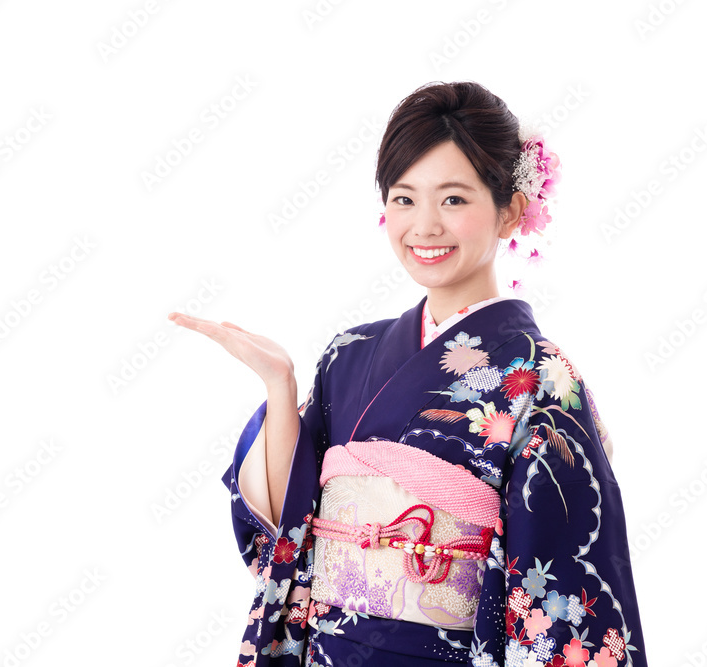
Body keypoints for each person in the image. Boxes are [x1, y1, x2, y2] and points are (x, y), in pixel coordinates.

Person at [169, 81, 647, 667]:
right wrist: (279, 387)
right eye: (404, 199)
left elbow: (562, 574)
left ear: (510, 211)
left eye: (453, 200)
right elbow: (286, 526)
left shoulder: (541, 377)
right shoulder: (349, 354)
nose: (424, 227)